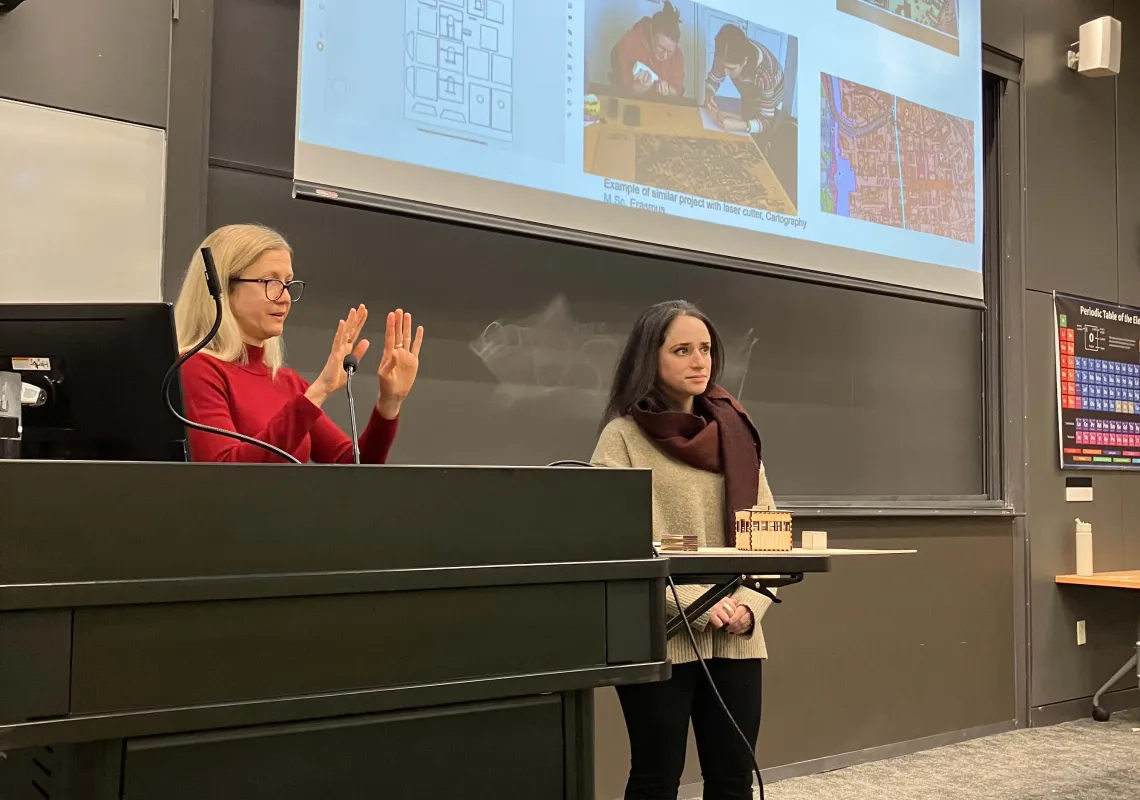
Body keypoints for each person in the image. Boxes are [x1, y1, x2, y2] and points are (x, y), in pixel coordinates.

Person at [591, 300, 774, 800]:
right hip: (661, 632)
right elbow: (614, 544)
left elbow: (768, 540)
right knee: (656, 775)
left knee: (733, 778)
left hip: (738, 636)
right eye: (682, 350)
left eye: (706, 349)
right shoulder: (622, 439)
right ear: (650, 359)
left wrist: (750, 609)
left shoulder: (739, 435)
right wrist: (694, 603)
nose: (700, 362)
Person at [173, 223, 424, 463]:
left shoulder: (288, 383)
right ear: (222, 288)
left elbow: (352, 467)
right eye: (270, 282)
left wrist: (389, 403)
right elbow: (226, 473)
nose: (285, 298)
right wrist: (318, 391)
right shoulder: (196, 369)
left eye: (288, 284)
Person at [704, 24, 784, 137]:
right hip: (751, 88)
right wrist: (709, 95)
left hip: (774, 89)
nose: (726, 73)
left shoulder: (763, 74)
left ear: (744, 61)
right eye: (723, 67)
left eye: (731, 68)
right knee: (748, 111)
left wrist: (741, 125)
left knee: (759, 133)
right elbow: (713, 80)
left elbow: (766, 121)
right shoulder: (724, 53)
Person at [610, 1, 686, 98]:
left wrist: (668, 90)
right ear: (651, 32)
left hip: (662, 106)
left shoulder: (677, 54)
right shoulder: (630, 41)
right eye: (661, 48)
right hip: (631, 101)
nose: (665, 56)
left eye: (670, 52)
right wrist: (638, 89)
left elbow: (678, 90)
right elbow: (621, 87)